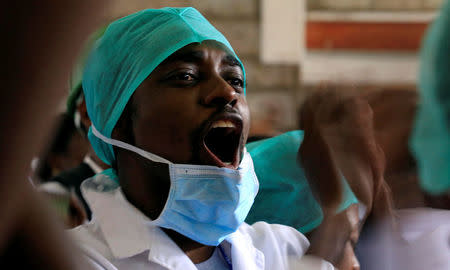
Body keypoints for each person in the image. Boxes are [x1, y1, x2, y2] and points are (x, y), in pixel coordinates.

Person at [69, 7, 333, 270]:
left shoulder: (282, 248)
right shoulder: (73, 258)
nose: (227, 92)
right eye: (186, 76)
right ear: (118, 121)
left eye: (235, 79)